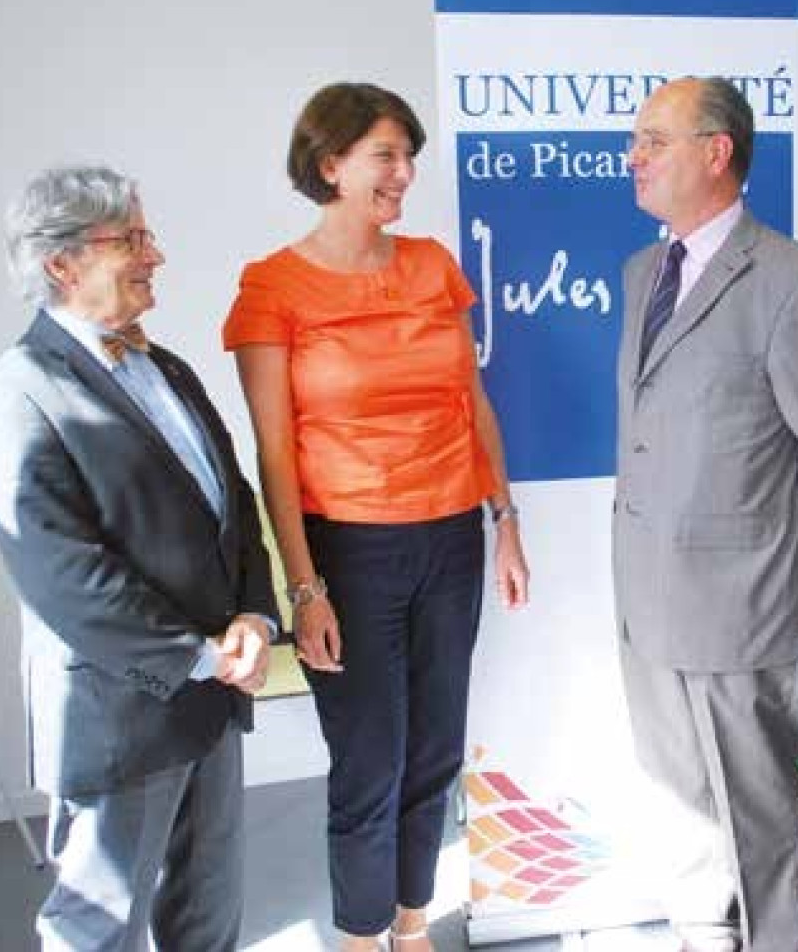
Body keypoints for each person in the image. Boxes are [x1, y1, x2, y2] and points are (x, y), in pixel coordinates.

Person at [223, 82, 529, 952]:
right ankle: (360, 938)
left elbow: (472, 402)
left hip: (451, 540)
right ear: (330, 165)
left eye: (409, 156)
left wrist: (502, 516)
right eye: (385, 156)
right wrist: (304, 588)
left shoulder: (433, 264)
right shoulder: (272, 288)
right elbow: (273, 458)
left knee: (436, 750)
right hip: (347, 554)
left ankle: (410, 925)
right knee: (371, 763)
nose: (405, 173)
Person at [0, 165, 279, 951]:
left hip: (212, 696)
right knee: (97, 927)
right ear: (62, 263)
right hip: (119, 711)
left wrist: (254, 613)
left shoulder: (164, 366)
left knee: (207, 919)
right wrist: (201, 654)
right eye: (135, 239)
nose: (158, 255)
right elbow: (64, 576)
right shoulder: (17, 393)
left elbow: (233, 500)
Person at [613, 76, 798, 952]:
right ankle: (703, 935)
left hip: (744, 606)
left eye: (654, 139)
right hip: (647, 601)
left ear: (716, 152)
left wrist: (796, 579)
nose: (633, 156)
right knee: (678, 799)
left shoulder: (795, 284)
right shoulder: (645, 271)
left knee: (758, 819)